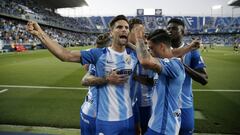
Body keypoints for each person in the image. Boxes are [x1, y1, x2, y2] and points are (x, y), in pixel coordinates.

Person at [27, 15, 138, 135]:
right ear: (111, 33)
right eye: (119, 27)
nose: (124, 30)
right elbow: (65, 55)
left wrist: (130, 43)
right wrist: (40, 34)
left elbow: (151, 57)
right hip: (107, 121)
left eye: (127, 28)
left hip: (129, 118)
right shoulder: (98, 54)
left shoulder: (133, 55)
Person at [134, 26, 185, 135]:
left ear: (162, 46)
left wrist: (138, 38)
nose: (150, 51)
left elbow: (145, 61)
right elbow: (154, 83)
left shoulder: (174, 65)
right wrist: (135, 77)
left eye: (151, 48)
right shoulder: (165, 66)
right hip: (158, 124)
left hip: (164, 127)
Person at [167, 18, 208, 135]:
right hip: (166, 105)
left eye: (174, 28)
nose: (170, 31)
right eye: (168, 28)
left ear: (183, 32)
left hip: (185, 104)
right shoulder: (161, 50)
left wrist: (181, 65)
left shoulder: (193, 52)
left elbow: (204, 79)